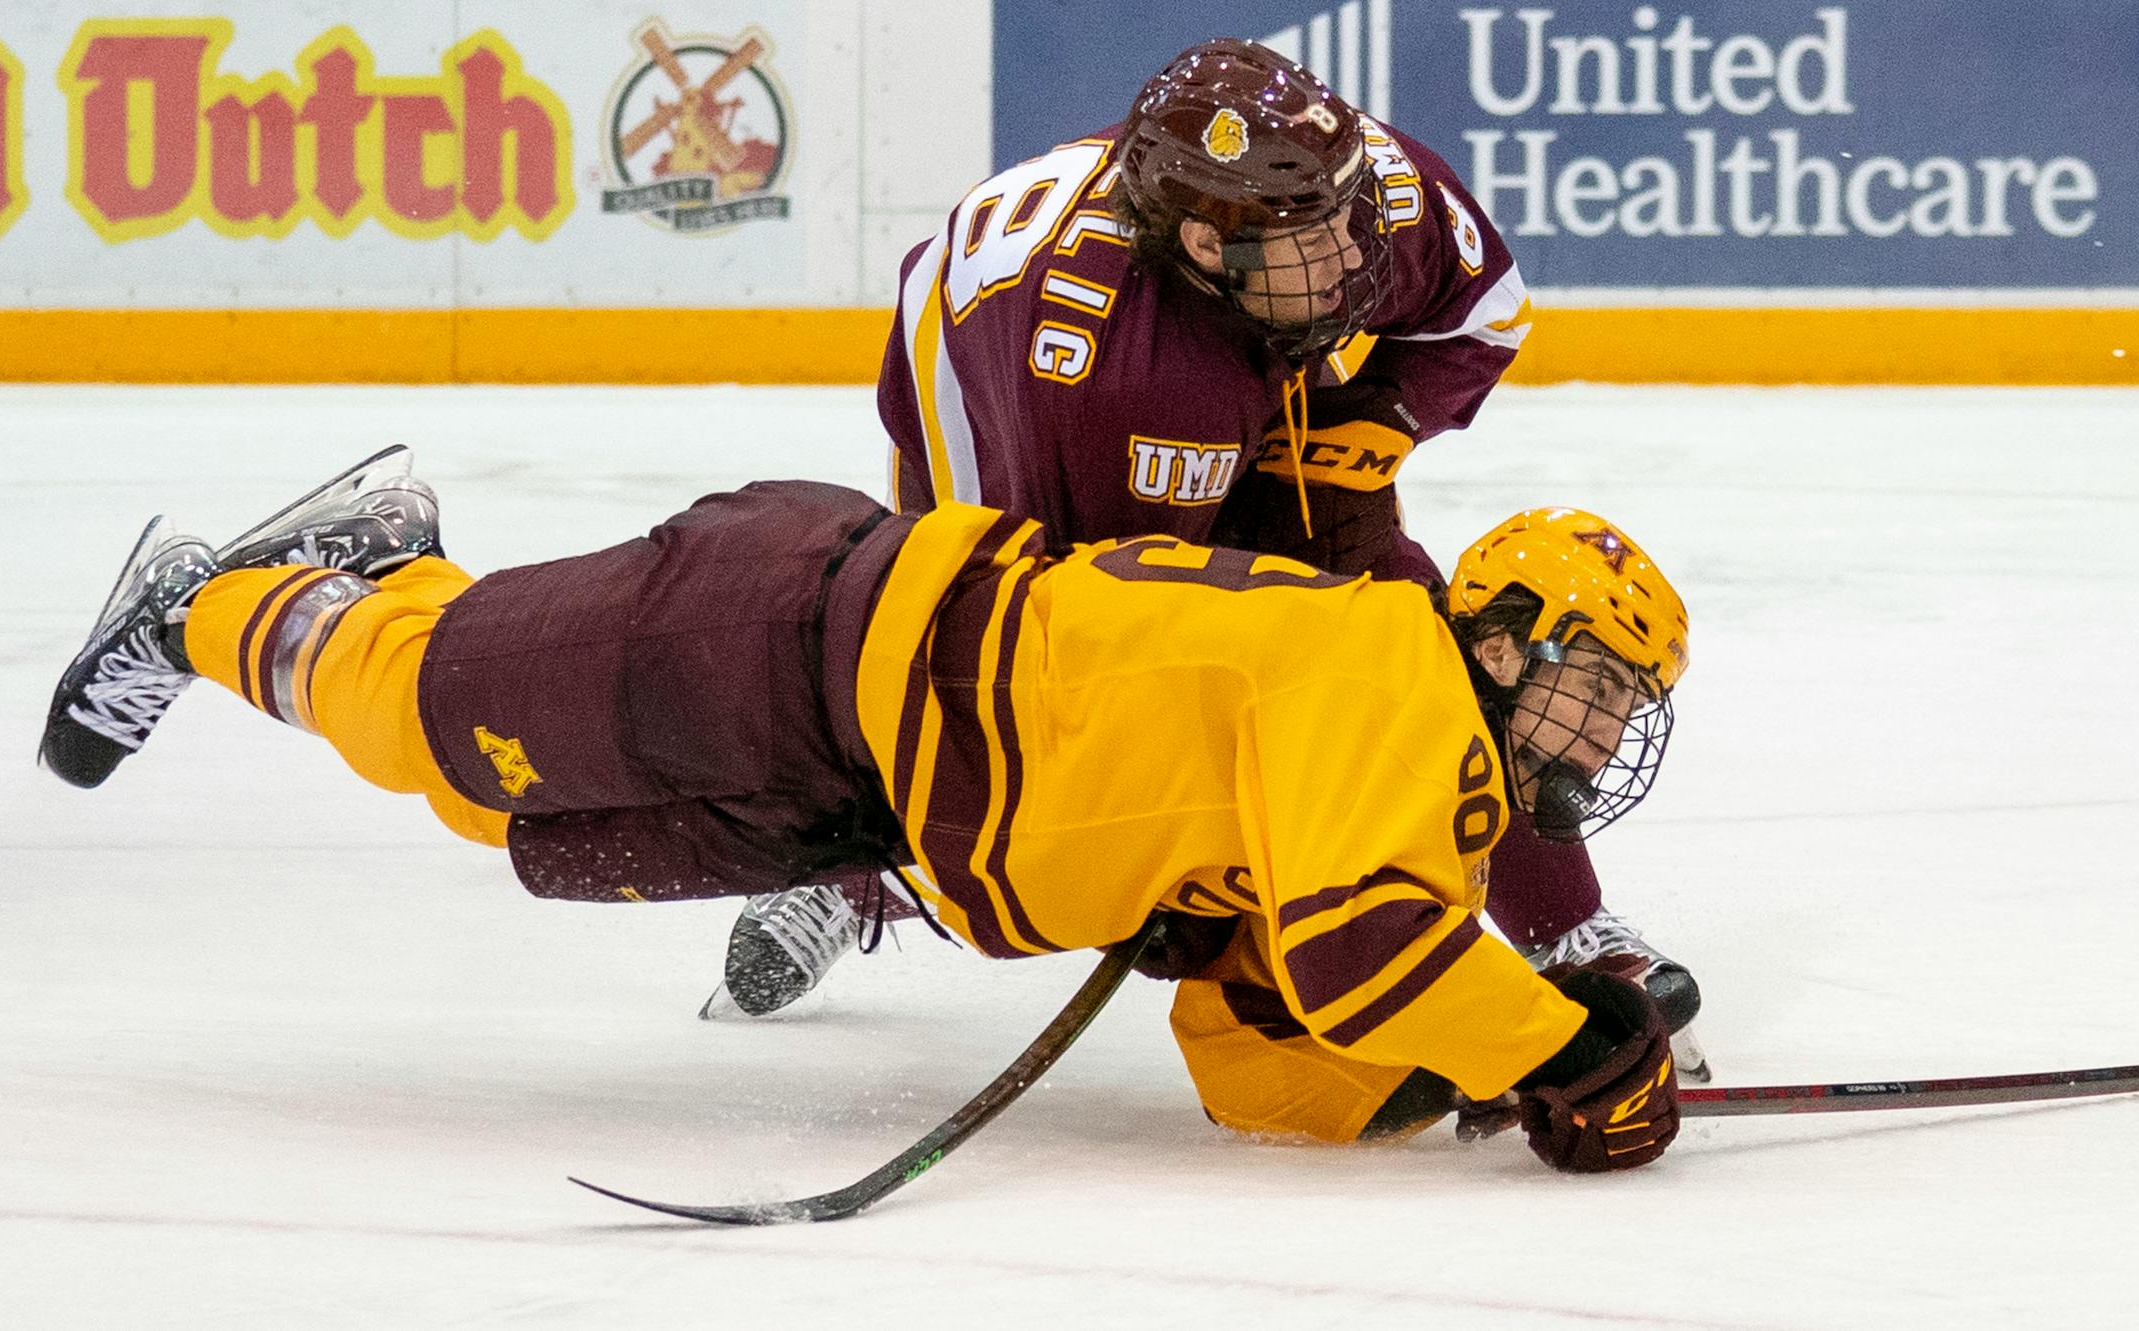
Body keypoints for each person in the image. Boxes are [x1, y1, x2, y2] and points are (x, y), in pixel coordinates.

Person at [41, 447, 1690, 1168]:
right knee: (441, 732)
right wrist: (1564, 1049)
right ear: (1499, 634)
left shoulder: (1408, 773)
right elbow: (1371, 963)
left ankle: (394, 575)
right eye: (1596, 681)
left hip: (842, 779)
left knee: (520, 825)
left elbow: (1274, 1062)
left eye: (1627, 704)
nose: (1606, 727)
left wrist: (1470, 1088)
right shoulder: (1384, 674)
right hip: (784, 643)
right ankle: (219, 600)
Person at [718, 39, 1707, 1076]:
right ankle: (858, 864)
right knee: (971, 707)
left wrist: (1377, 414)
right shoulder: (1115, 381)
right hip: (1010, 429)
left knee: (1416, 653)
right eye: (1310, 240)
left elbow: (1483, 312)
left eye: (1346, 212)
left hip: (1239, 380)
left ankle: (1561, 924)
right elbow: (1080, 653)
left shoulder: (1366, 201)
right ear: (1202, 242)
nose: (1350, 260)